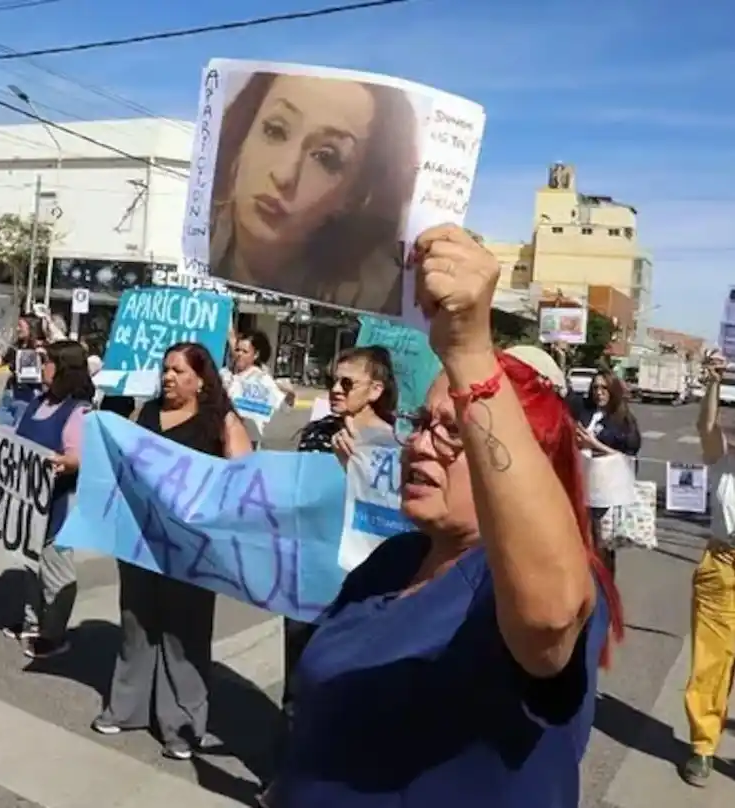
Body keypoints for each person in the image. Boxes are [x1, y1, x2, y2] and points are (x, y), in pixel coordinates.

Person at [269, 224, 623, 808]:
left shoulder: (518, 586)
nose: (424, 445)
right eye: (423, 423)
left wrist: (466, 350)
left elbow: (548, 617)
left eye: (455, 432)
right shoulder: (396, 560)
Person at [92, 342, 252, 760]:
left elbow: (244, 477)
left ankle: (182, 724)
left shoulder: (219, 421)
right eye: (165, 370)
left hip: (192, 549)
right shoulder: (146, 414)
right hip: (141, 539)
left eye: (179, 371)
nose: (168, 378)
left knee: (185, 633)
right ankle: (126, 708)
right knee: (136, 623)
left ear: (201, 379)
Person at [260, 345, 397, 806]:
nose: (335, 391)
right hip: (305, 572)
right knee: (297, 686)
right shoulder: (316, 432)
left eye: (347, 384)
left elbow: (390, 519)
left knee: (343, 688)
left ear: (375, 390)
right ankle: (286, 782)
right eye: (333, 381)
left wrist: (354, 468)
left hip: (357, 583)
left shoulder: (393, 447)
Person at [209, 71, 418, 313]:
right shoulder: (185, 237)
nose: (284, 174)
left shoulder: (376, 297)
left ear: (353, 197)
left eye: (325, 157)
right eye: (275, 130)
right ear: (244, 135)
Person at [1, 340, 94, 659]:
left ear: (64, 368)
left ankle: (54, 634)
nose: (42, 368)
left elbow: (80, 457)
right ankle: (31, 623)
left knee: (57, 572)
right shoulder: (38, 402)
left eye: (48, 362)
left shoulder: (78, 411)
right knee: (30, 564)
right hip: (29, 501)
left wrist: (62, 463)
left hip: (57, 502)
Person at [681, 349, 735, 787]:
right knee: (711, 662)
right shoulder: (723, 459)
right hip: (723, 566)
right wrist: (713, 383)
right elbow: (706, 425)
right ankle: (702, 745)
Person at [575, 368, 641, 579]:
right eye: (595, 388)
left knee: (603, 546)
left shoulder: (622, 419)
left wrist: (594, 444)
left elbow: (628, 455)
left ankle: (605, 589)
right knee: (582, 542)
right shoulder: (586, 413)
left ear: (613, 390)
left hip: (607, 491)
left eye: (604, 388)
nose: (599, 392)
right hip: (582, 485)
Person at [222, 328, 295, 447]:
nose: (239, 354)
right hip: (222, 437)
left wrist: (291, 394)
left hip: (248, 442)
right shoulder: (224, 374)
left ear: (255, 355)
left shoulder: (262, 379)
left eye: (245, 351)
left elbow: (285, 407)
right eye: (237, 350)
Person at [0, 314, 42, 426]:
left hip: (27, 395)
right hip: (10, 393)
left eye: (20, 326)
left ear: (31, 327)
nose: (17, 329)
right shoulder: (17, 346)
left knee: (19, 430)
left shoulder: (40, 348)